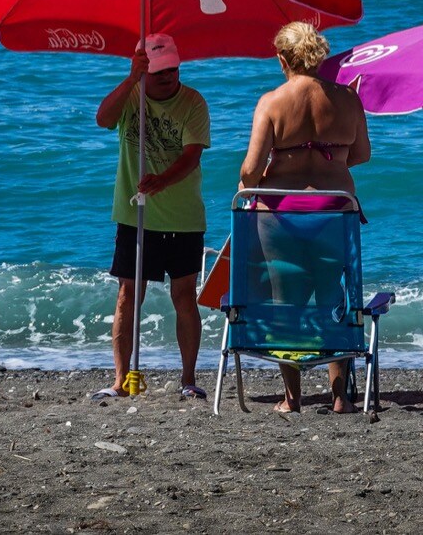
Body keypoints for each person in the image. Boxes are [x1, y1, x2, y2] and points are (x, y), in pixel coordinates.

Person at [239, 21, 371, 413]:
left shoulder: (272, 102)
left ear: (282, 59)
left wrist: (271, 174)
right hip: (334, 212)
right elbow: (362, 154)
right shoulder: (349, 99)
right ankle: (339, 397)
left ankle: (292, 398)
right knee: (334, 298)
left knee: (287, 302)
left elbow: (249, 171)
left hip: (282, 216)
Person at [93, 33, 211, 401]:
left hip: (182, 216)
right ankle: (121, 379)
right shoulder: (132, 96)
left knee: (183, 295)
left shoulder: (192, 101)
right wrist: (131, 80)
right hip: (134, 214)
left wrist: (161, 181)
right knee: (129, 294)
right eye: (160, 72)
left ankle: (188, 378)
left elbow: (192, 155)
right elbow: (102, 119)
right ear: (145, 72)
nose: (169, 77)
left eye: (174, 70)